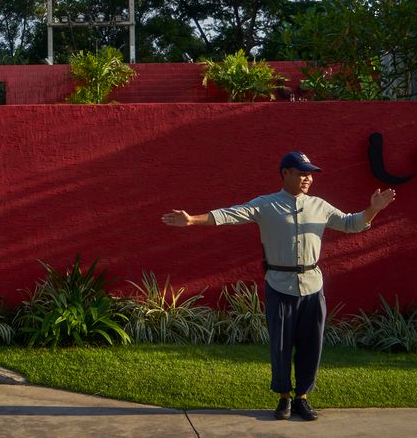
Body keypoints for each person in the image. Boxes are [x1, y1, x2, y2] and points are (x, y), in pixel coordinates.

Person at [162, 150, 396, 421]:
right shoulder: (266, 205)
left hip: (312, 285)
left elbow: (351, 224)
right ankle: (284, 397)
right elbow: (230, 214)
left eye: (309, 174)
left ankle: (303, 397)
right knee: (281, 345)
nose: (307, 178)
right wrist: (192, 219)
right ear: (285, 173)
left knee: (311, 344)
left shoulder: (320, 206)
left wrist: (374, 209)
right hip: (279, 284)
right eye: (301, 173)